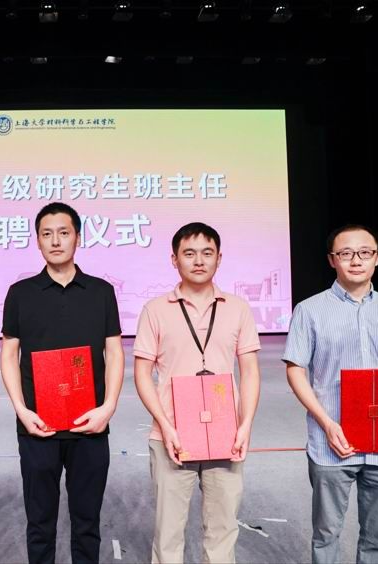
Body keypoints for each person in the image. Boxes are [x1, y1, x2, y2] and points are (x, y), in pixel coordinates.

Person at [283, 224, 378, 564]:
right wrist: (326, 423)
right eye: (346, 253)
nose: (356, 260)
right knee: (326, 536)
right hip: (331, 441)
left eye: (365, 252)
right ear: (332, 260)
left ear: (377, 258)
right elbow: (295, 370)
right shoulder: (309, 310)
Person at [0, 202, 124, 564]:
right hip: (38, 426)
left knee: (87, 524)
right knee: (40, 524)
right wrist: (22, 411)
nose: (56, 241)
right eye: (47, 234)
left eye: (64, 233)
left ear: (78, 238)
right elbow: (9, 355)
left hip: (91, 425)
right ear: (38, 241)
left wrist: (107, 408)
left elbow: (114, 353)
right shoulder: (20, 293)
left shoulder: (101, 291)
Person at [133, 222, 261, 564]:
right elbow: (142, 374)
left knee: (222, 531)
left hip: (225, 434)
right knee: (168, 533)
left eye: (207, 253)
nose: (199, 261)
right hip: (171, 435)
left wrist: (245, 425)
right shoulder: (155, 310)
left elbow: (250, 371)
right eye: (189, 253)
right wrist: (165, 426)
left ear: (219, 258)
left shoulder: (237, 308)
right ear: (174, 259)